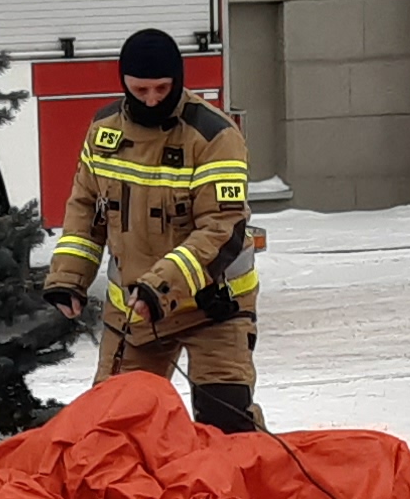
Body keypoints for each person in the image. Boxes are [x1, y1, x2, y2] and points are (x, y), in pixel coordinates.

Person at [46, 26, 263, 433]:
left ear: (178, 81)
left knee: (227, 428)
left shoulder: (215, 136)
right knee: (114, 429)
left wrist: (159, 287)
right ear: (123, 82)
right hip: (136, 313)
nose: (151, 99)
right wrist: (68, 278)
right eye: (140, 89)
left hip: (212, 309)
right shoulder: (105, 131)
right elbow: (86, 210)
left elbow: (222, 227)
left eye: (162, 89)